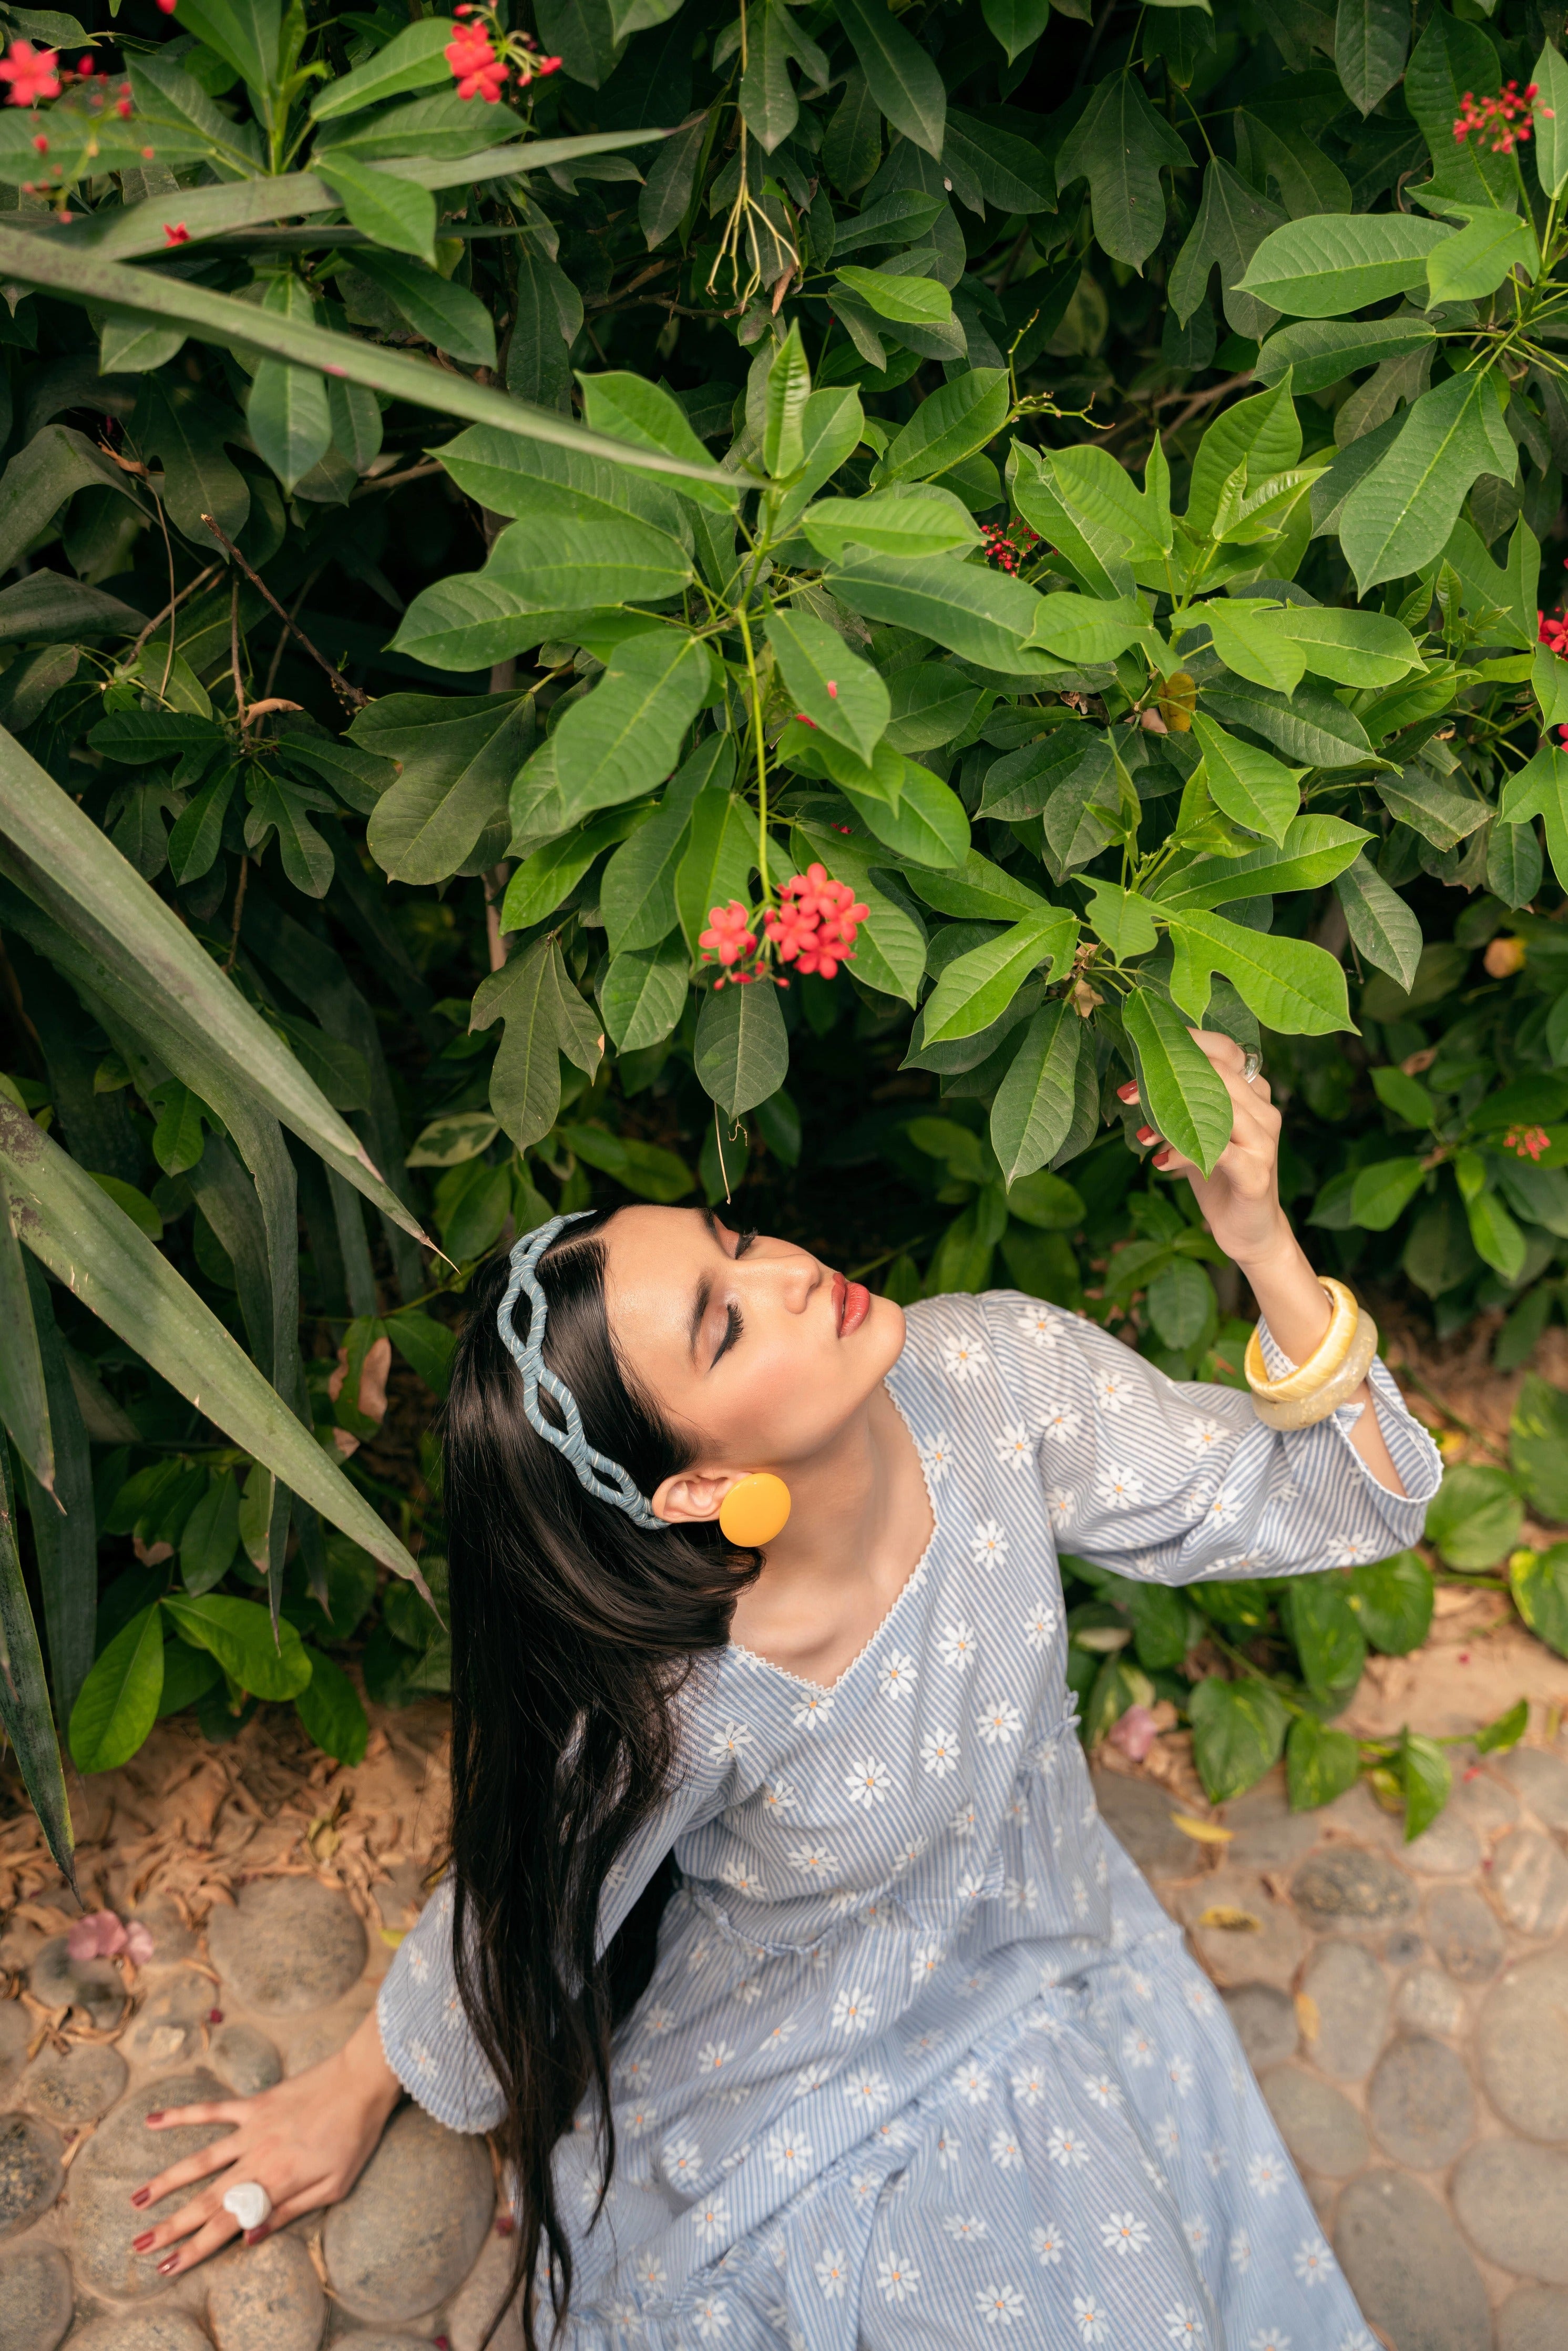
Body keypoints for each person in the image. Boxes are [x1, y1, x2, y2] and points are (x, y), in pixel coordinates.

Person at [128, 1032, 1436, 2350]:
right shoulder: (685, 1692)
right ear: (690, 1487)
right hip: (806, 2072)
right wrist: (360, 2087)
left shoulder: (1000, 1378)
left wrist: (1259, 1238)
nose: (794, 1272)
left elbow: (1341, 1496)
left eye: (736, 1242)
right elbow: (532, 1897)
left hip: (1047, 1951)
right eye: (725, 1319)